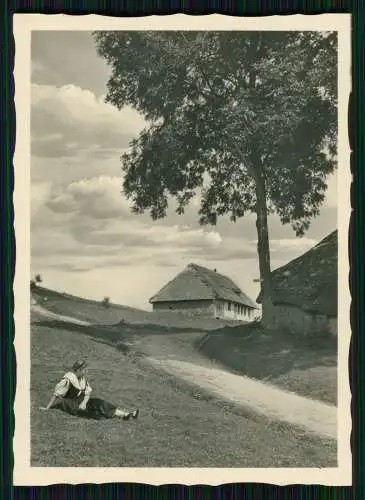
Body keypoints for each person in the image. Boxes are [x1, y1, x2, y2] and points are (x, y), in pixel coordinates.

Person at [39, 360, 139, 421]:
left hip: (81, 401)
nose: (86, 372)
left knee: (99, 402)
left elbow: (87, 392)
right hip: (71, 404)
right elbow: (56, 394)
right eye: (84, 370)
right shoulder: (68, 379)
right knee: (94, 413)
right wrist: (47, 408)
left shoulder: (83, 379)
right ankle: (118, 416)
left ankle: (125, 415)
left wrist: (84, 402)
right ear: (78, 370)